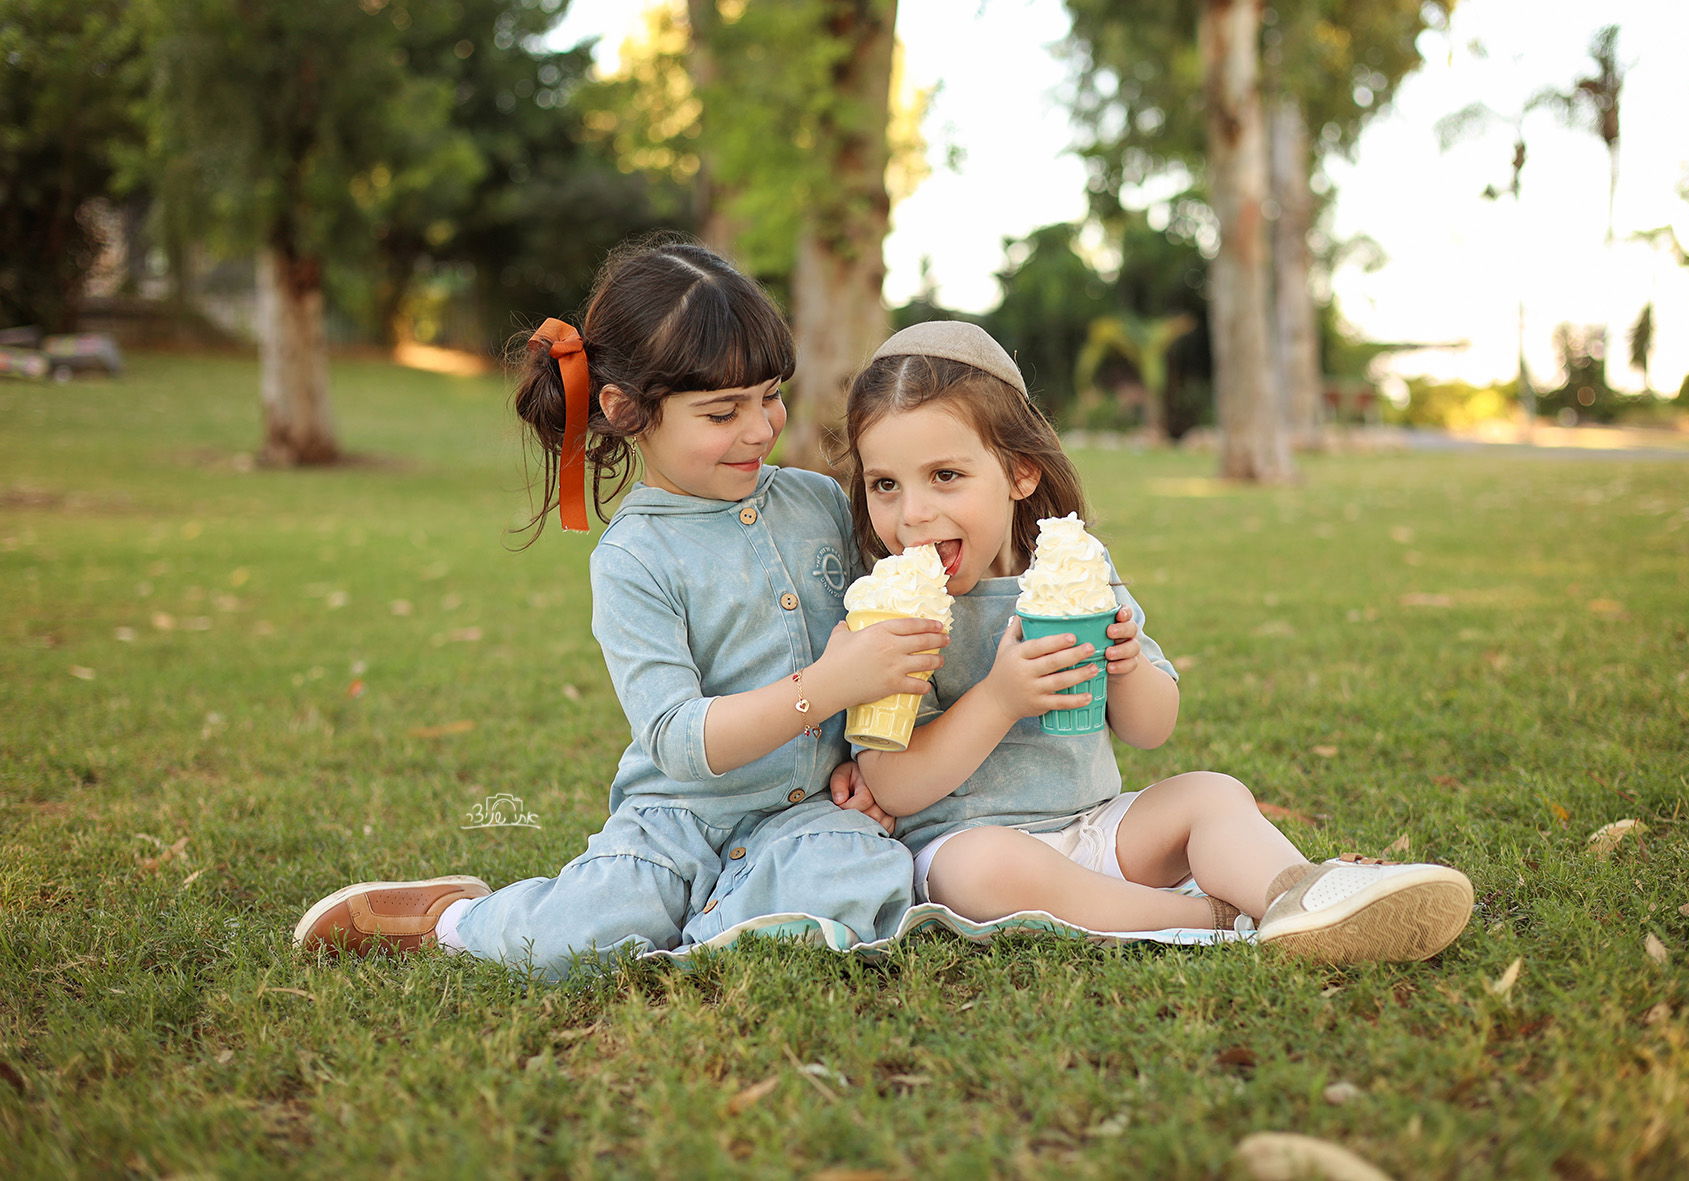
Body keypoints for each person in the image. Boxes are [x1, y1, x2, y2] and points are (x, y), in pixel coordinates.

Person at [293, 240, 945, 979]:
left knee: (858, 877)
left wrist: (869, 763)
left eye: (770, 395)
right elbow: (676, 737)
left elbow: (887, 648)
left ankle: (715, 928)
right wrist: (827, 686)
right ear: (627, 410)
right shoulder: (634, 559)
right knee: (583, 934)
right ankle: (458, 919)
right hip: (678, 820)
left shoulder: (820, 502)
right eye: (723, 411)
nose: (763, 427)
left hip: (809, 818)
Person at [840, 321, 1474, 962]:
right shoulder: (881, 620)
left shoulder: (1078, 570)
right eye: (885, 484)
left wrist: (1126, 667)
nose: (912, 513)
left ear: (1021, 473)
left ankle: (1298, 890)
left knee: (1211, 792)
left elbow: (1152, 728)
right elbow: (892, 786)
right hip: (972, 843)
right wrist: (1000, 699)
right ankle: (1221, 917)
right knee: (978, 872)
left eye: (945, 475)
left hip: (1100, 827)